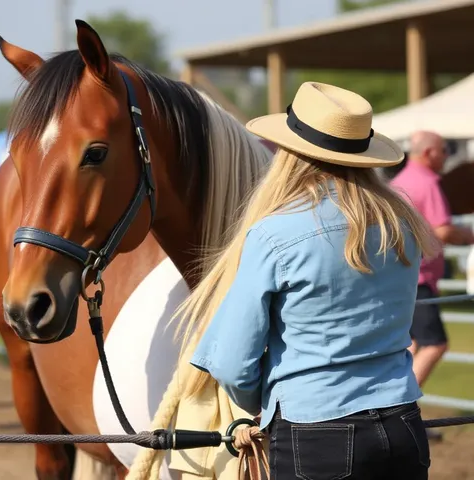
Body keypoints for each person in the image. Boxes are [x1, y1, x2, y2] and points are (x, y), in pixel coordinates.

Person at [177, 83, 438, 479]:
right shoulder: (400, 224)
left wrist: (258, 404)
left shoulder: (274, 234)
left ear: (290, 154)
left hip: (317, 433)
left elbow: (231, 362)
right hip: (402, 422)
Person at [391, 132, 474, 387]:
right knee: (434, 344)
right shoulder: (428, 183)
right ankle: (399, 407)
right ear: (429, 153)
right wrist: (471, 235)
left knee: (413, 345)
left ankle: (406, 416)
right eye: (444, 151)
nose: (447, 156)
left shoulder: (399, 181)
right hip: (420, 278)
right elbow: (443, 230)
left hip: (399, 276)